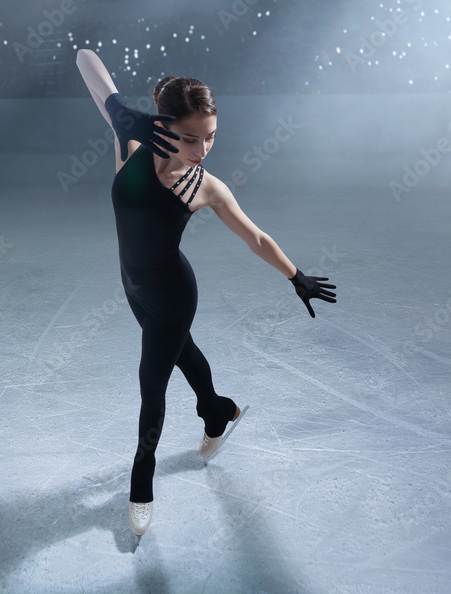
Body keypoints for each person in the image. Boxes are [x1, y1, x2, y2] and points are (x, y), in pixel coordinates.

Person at [75, 49, 336, 536]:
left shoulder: (205, 186)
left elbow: (255, 236)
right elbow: (85, 58)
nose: (201, 150)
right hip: (133, 288)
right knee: (181, 353)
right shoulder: (132, 141)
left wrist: (294, 274)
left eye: (211, 138)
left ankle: (142, 477)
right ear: (163, 125)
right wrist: (116, 108)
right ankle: (217, 411)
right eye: (191, 138)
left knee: (151, 386)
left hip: (173, 293)